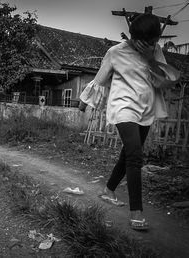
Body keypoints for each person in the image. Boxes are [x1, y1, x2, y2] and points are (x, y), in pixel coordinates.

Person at [79, 13, 180, 231]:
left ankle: (108, 190)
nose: (146, 45)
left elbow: (166, 80)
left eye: (152, 42)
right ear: (133, 36)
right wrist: (83, 103)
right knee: (135, 156)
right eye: (142, 41)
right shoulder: (115, 53)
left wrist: (151, 58)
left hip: (145, 109)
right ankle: (137, 213)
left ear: (155, 40)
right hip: (122, 107)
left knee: (129, 153)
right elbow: (99, 81)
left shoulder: (156, 52)